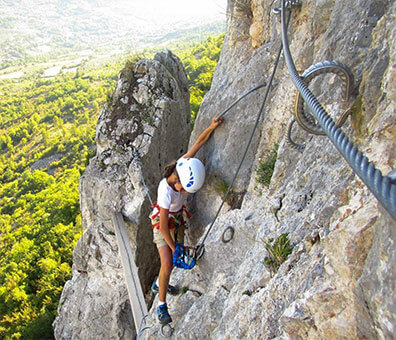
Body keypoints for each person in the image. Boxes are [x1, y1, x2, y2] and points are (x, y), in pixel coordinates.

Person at [150, 116, 223, 325]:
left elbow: (198, 143)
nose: (186, 192)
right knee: (168, 262)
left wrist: (212, 126)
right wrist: (174, 248)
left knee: (172, 261)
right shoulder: (166, 191)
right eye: (185, 188)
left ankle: (158, 284)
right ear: (177, 180)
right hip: (163, 223)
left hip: (178, 220)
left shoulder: (182, 165)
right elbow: (163, 227)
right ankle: (161, 306)